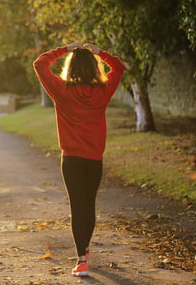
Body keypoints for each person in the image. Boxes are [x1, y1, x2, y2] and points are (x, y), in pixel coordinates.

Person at [33, 42, 126, 277]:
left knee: (78, 207)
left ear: (71, 67)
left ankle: (82, 260)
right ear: (94, 68)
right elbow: (119, 67)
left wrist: (65, 48)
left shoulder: (61, 90)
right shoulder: (103, 92)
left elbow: (40, 63)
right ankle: (84, 250)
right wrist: (99, 52)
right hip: (94, 160)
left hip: (71, 160)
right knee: (89, 205)